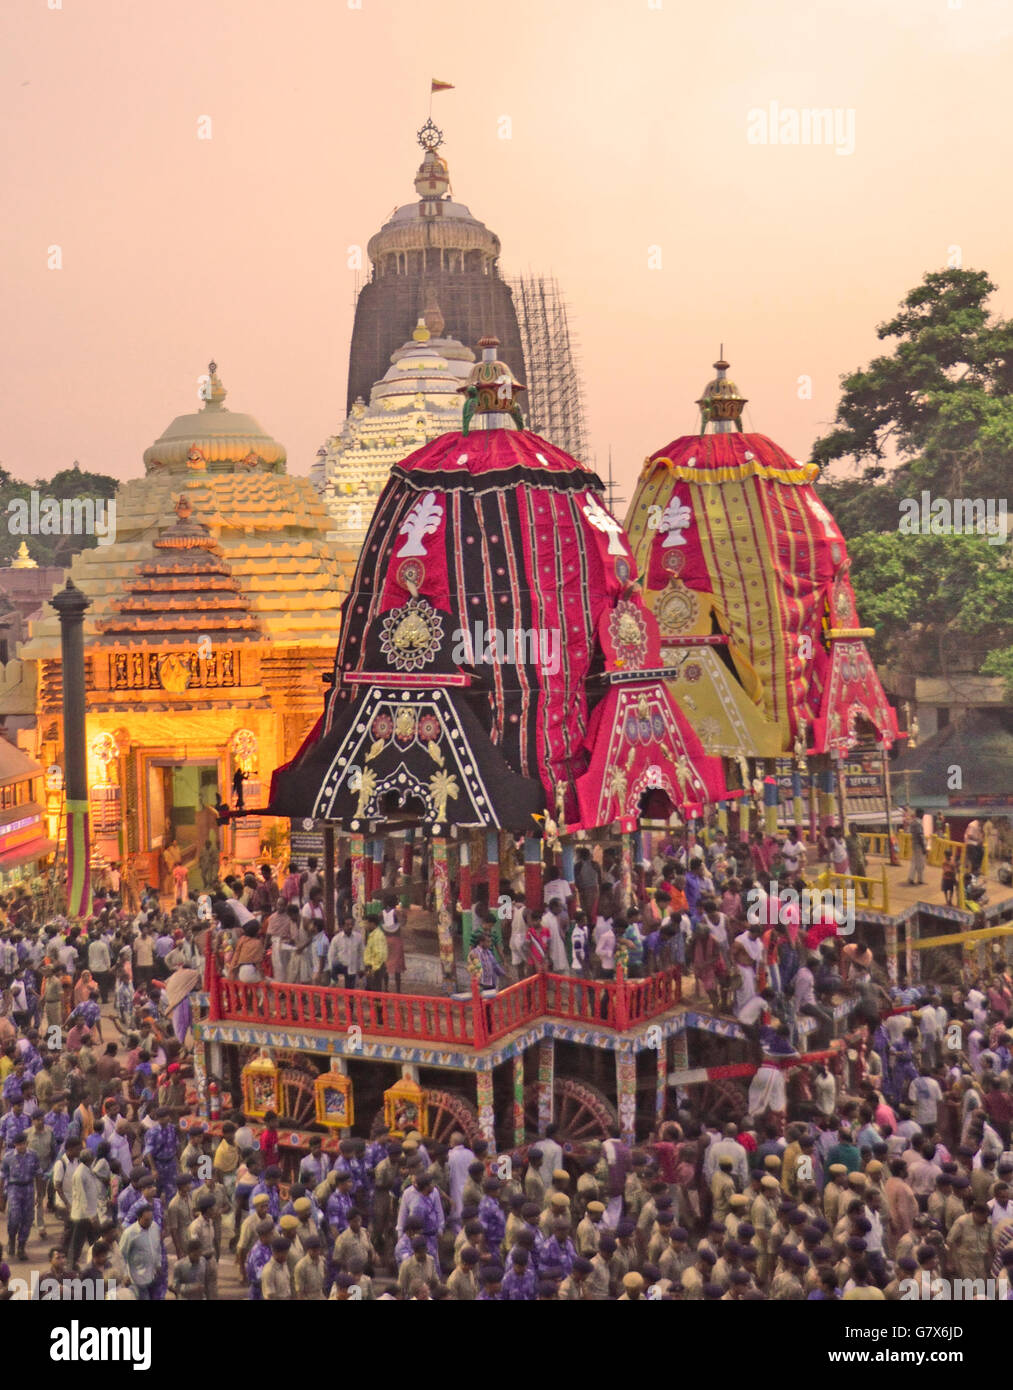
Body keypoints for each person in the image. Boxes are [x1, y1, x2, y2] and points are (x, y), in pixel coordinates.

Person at [907, 813, 927, 887]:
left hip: (914, 844)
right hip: (919, 845)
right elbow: (920, 836)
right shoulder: (919, 823)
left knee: (914, 862)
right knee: (921, 863)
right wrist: (923, 847)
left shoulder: (912, 823)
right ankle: (920, 879)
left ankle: (911, 878)